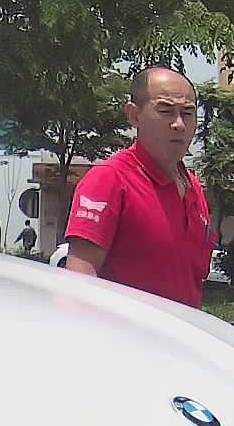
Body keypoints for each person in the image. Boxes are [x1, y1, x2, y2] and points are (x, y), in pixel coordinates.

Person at [62, 65, 216, 307]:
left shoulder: (194, 187)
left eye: (187, 113)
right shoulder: (109, 180)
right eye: (165, 110)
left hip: (181, 330)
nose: (179, 124)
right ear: (134, 115)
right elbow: (77, 285)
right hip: (120, 331)